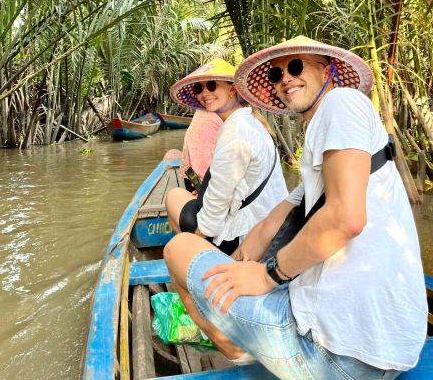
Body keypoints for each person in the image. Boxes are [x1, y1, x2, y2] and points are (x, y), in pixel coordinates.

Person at [164, 36, 428, 376]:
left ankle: (237, 353)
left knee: (179, 248)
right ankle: (248, 335)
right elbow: (274, 220)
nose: (285, 78)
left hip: (338, 358)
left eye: (295, 66)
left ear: (327, 69)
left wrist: (266, 275)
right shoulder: (324, 146)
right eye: (276, 75)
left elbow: (345, 219)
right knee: (239, 258)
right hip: (391, 349)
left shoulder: (341, 103)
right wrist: (235, 264)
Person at [165, 58, 288, 256]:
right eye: (199, 88)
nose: (205, 93)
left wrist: (193, 241)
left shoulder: (235, 131)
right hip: (267, 223)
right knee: (182, 199)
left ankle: (204, 262)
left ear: (232, 90)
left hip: (245, 234)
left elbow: (217, 204)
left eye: (212, 85)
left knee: (173, 197)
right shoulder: (251, 120)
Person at [180, 109, 223, 193]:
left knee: (174, 195)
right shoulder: (209, 113)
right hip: (201, 183)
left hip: (196, 180)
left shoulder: (203, 111)